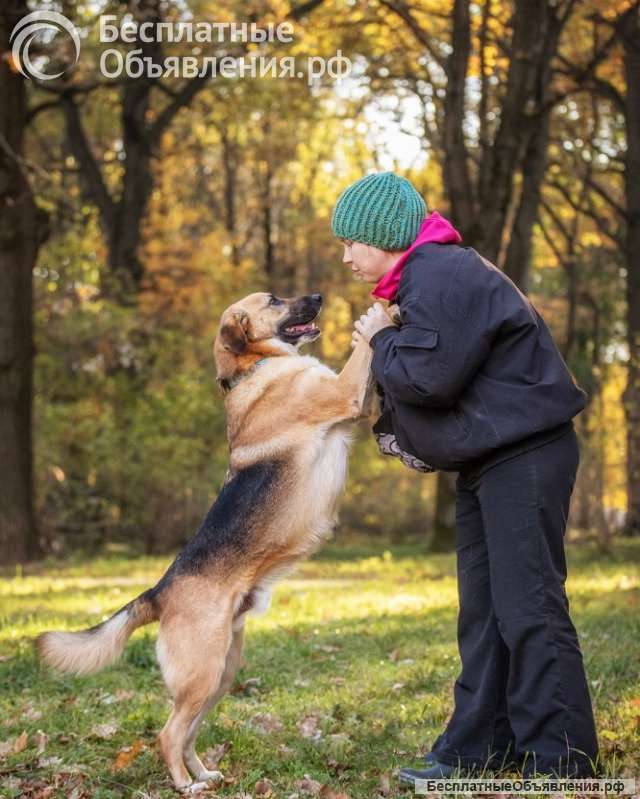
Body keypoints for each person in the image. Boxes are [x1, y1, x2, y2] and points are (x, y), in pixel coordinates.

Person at [330, 172, 599, 783]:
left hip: (527, 456)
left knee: (529, 607)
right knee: (483, 612)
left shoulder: (441, 273)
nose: (345, 256)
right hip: (489, 460)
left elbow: (430, 378)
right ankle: (479, 749)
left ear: (383, 235)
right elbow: (441, 382)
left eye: (352, 241)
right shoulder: (419, 281)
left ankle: (565, 763)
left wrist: (380, 341)